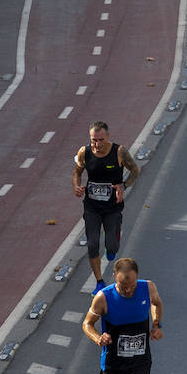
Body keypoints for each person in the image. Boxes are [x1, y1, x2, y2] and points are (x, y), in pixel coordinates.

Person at [73, 121, 141, 286]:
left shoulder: (119, 152)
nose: (97, 144)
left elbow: (135, 170)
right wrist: (76, 186)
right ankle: (99, 282)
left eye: (101, 140)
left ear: (108, 136)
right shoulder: (84, 152)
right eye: (93, 140)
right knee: (92, 244)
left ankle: (112, 244)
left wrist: (123, 185)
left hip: (112, 207)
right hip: (92, 206)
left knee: (112, 247)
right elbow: (77, 172)